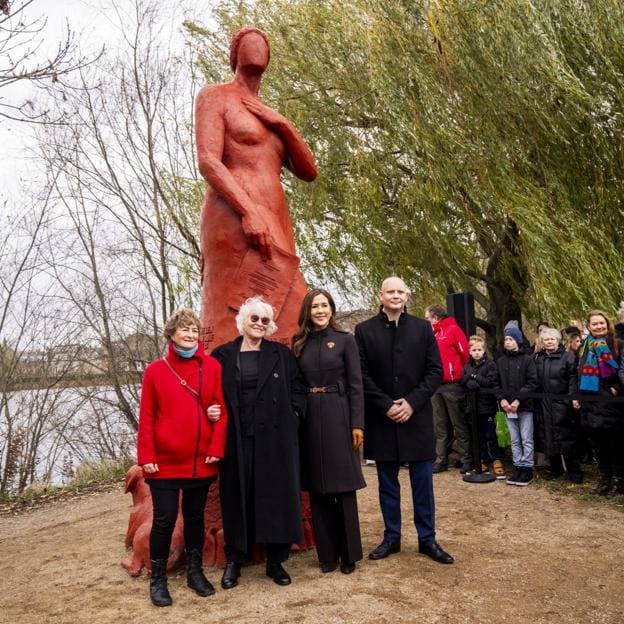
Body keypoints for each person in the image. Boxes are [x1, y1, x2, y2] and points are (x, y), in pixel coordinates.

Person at [195, 27, 317, 348]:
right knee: (230, 312)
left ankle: (282, 388)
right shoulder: (215, 96)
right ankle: (219, 388)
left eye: (263, 42)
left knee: (294, 312)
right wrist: (248, 212)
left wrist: (283, 124)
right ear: (234, 54)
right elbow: (208, 161)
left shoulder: (268, 116)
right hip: (235, 216)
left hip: (275, 219)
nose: (257, 44)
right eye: (247, 41)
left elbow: (308, 171)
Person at [354, 277, 453, 565]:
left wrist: (411, 402)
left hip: (416, 416)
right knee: (387, 484)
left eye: (400, 292)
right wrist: (386, 405)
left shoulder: (423, 329)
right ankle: (391, 537)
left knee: (422, 483)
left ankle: (427, 539)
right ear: (381, 295)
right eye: (390, 291)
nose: (396, 296)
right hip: (382, 419)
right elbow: (362, 375)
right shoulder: (364, 330)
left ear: (407, 296)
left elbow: (434, 372)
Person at [211, 296, 307, 588]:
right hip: (236, 437)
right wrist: (210, 410)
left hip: (275, 437)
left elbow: (298, 389)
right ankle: (235, 560)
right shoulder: (222, 356)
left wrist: (293, 415)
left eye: (265, 320)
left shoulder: (280, 354)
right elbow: (209, 393)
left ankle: (275, 562)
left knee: (275, 497)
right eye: (254, 319)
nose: (259, 324)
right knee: (237, 497)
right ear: (243, 321)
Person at [137, 308, 228, 607]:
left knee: (194, 518)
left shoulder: (212, 367)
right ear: (172, 334)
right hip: (163, 462)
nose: (190, 335)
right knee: (163, 520)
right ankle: (158, 579)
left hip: (200, 461)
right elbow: (147, 416)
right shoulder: (155, 371)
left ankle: (194, 572)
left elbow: (219, 410)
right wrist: (146, 455)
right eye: (184, 329)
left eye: (193, 330)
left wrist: (216, 449)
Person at [292, 289, 366, 574]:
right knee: (318, 488)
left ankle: (349, 554)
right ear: (307, 312)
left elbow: (357, 385)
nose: (320, 311)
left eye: (324, 305)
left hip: (339, 412)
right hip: (310, 417)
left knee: (343, 487)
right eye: (315, 306)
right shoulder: (299, 343)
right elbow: (295, 385)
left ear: (332, 309)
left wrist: (357, 423)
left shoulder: (346, 341)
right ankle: (327, 555)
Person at [573, 310, 624, 496]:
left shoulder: (617, 343)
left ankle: (618, 483)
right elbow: (579, 371)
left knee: (615, 444)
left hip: (611, 402)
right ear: (589, 327)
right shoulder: (586, 346)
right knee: (598, 443)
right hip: (590, 401)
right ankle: (604, 479)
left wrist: (615, 388)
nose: (599, 326)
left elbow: (621, 370)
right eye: (594, 324)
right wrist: (577, 395)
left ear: (607, 323)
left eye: (601, 323)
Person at [424, 304, 471, 473]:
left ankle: (466, 458)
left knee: (458, 423)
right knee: (440, 425)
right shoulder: (431, 334)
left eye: (427, 317)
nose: (426, 321)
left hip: (452, 384)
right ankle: (441, 459)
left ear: (435, 317)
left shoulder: (453, 330)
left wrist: (461, 375)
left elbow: (465, 354)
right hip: (435, 385)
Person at [534, 328, 583, 483]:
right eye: (546, 339)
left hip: (562, 403)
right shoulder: (539, 358)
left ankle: (574, 471)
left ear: (558, 340)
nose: (549, 342)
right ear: (542, 342)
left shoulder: (567, 357)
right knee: (548, 436)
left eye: (552, 339)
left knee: (566, 437)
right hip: (544, 403)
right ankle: (555, 468)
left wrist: (570, 399)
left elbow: (573, 379)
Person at [497, 325, 538, 486]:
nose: (507, 342)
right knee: (514, 439)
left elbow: (532, 382)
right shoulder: (500, 361)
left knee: (526, 438)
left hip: (524, 406)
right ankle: (518, 466)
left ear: (518, 341)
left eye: (511, 339)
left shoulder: (527, 360)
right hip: (507, 407)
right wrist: (502, 400)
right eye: (506, 339)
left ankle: (527, 468)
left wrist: (518, 400)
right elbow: (496, 382)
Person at [460, 335, 505, 478]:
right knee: (478, 436)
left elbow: (490, 382)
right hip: (472, 407)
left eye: (479, 349)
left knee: (491, 435)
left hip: (487, 406)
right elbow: (463, 379)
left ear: (483, 350)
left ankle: (496, 460)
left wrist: (474, 377)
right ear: (470, 351)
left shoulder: (490, 364)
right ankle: (483, 460)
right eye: (474, 350)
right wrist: (469, 381)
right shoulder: (467, 365)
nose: (477, 352)